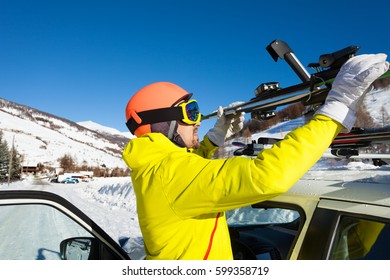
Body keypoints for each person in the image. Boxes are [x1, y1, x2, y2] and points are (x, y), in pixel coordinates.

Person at [122, 54, 389, 260]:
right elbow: (267, 176)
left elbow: (189, 167)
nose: (198, 121)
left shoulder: (155, 169)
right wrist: (337, 108)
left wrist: (216, 136)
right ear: (162, 124)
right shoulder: (171, 174)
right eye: (190, 112)